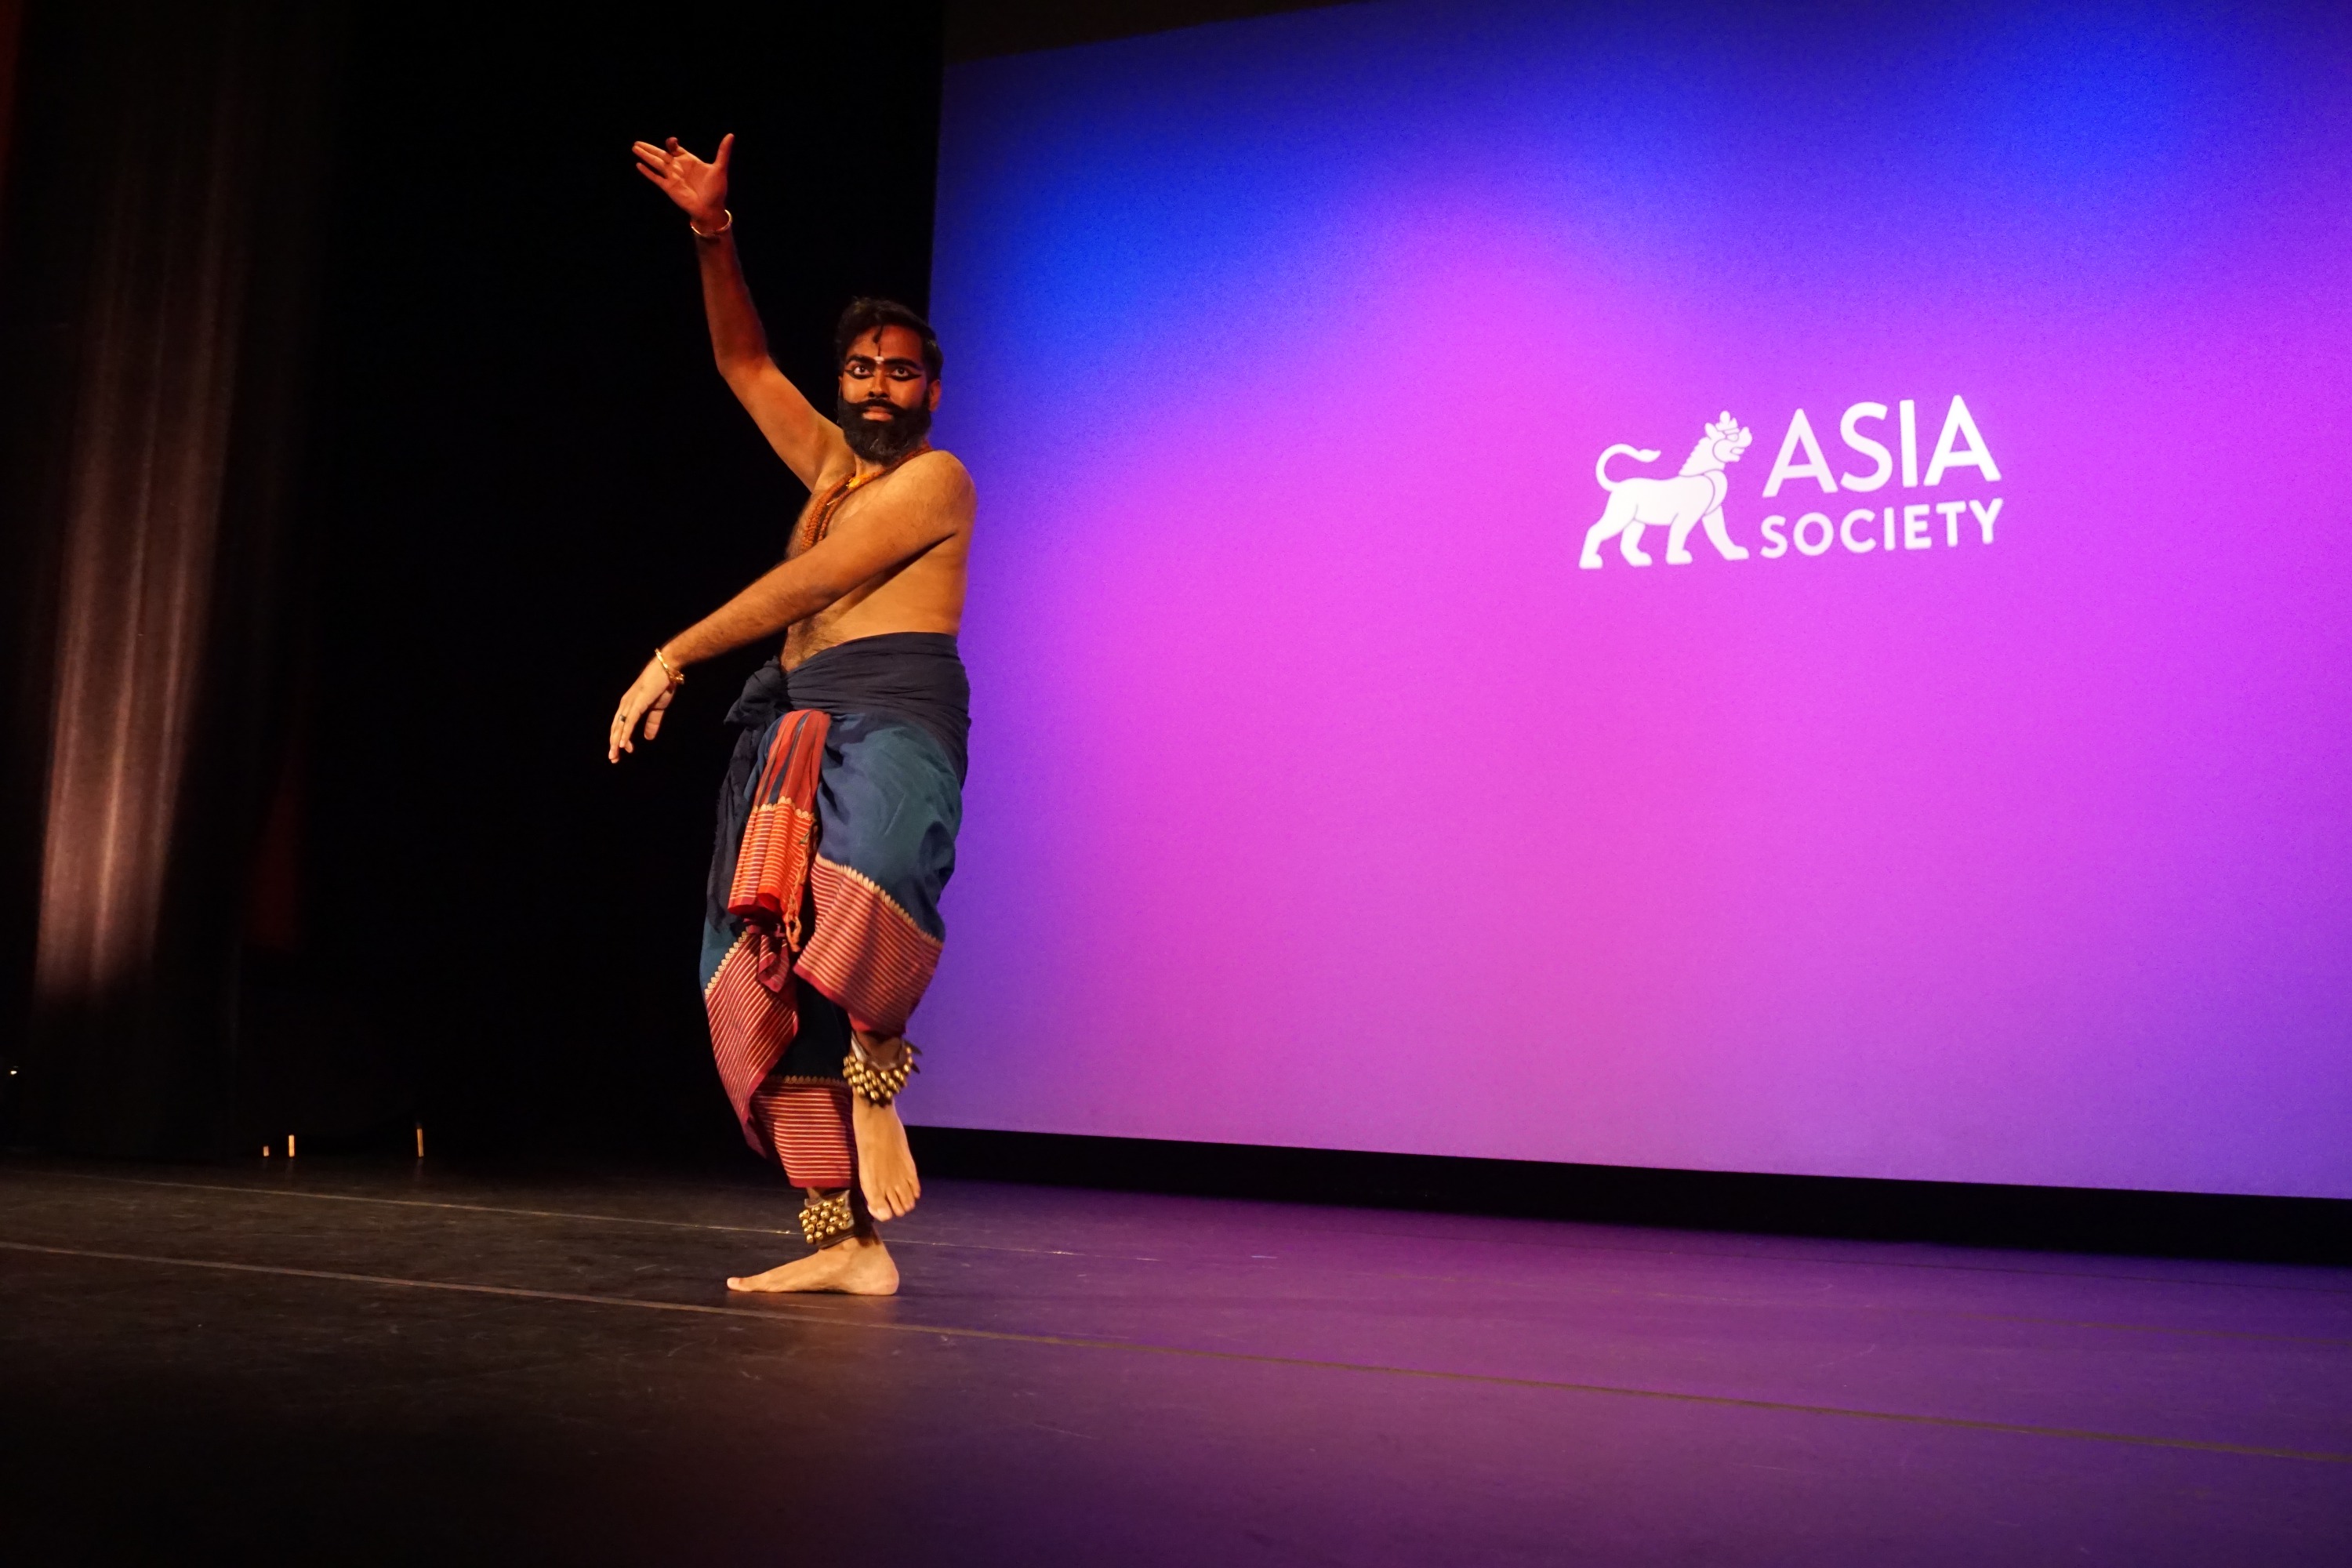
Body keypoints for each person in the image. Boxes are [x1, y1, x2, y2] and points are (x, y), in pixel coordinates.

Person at [610, 133, 975, 1297]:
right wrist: (714, 234)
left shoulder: (936, 480)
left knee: (865, 882)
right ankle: (847, 1243)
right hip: (793, 723)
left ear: (931, 387)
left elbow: (813, 587)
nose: (878, 387)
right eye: (862, 370)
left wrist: (674, 651)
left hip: (892, 713)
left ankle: (880, 1072)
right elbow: (741, 362)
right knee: (751, 968)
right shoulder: (828, 469)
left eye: (901, 371)